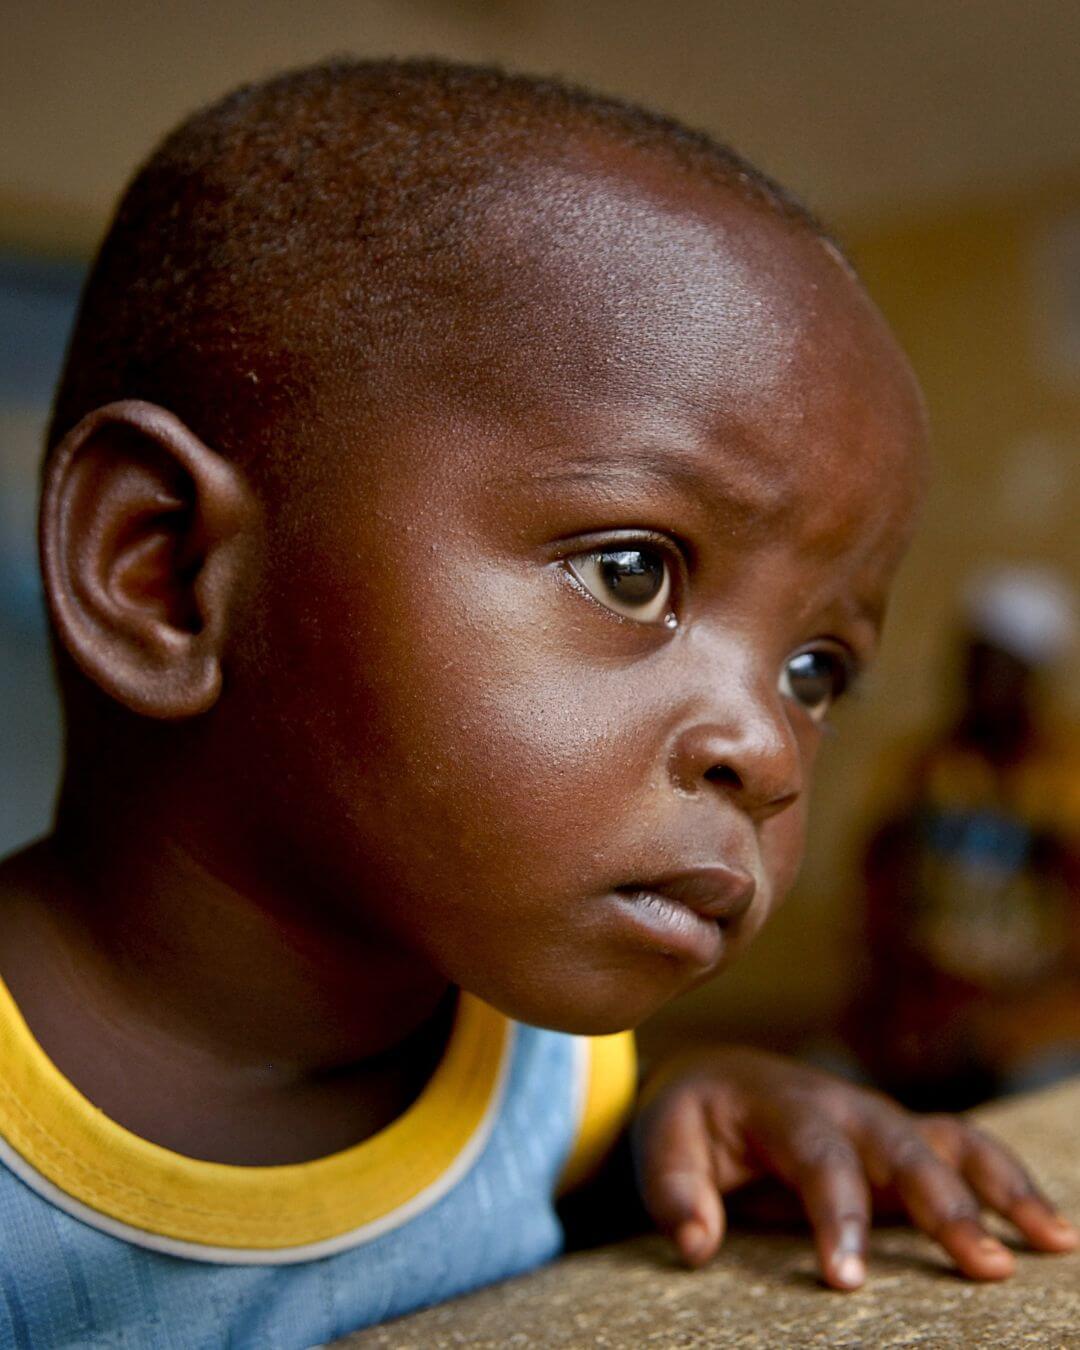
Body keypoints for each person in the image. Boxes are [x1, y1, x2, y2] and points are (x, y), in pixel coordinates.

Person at [0, 59, 1074, 1348]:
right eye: (633, 573)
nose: (768, 748)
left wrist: (675, 1143)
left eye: (815, 672)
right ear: (164, 572)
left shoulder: (551, 1087)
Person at [848, 566, 1080, 1110]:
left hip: (1033, 1027)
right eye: (975, 666)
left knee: (1041, 1094)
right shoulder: (919, 772)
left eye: (1004, 670)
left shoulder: (1066, 781)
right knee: (826, 1083)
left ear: (1036, 680)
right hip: (918, 1019)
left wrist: (1006, 1021)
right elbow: (880, 903)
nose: (984, 686)